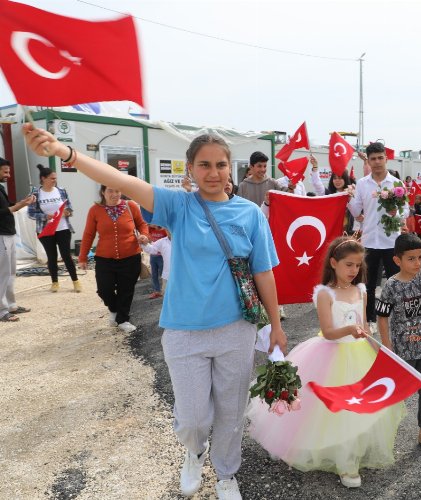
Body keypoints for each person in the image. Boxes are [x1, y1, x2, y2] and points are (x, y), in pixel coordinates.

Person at [24, 125, 286, 500]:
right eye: (204, 165)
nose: (213, 172)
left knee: (231, 411)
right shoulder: (179, 206)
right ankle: (194, 452)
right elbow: (119, 179)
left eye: (221, 164)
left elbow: (264, 271)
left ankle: (227, 474)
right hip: (184, 331)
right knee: (194, 417)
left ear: (232, 169)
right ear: (190, 170)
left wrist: (275, 325)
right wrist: (67, 153)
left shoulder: (250, 214)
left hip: (236, 329)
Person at [248, 236, 403, 488]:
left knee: (360, 404)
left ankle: (352, 453)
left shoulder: (362, 290)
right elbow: (329, 331)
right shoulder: (325, 293)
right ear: (334, 263)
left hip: (359, 353)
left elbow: (364, 325)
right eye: (348, 265)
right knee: (336, 407)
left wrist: (368, 336)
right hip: (331, 354)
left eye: (357, 265)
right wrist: (350, 329)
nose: (353, 271)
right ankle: (344, 461)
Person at [376, 233, 421, 457]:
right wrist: (387, 346)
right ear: (397, 260)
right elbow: (382, 316)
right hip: (403, 351)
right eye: (411, 259)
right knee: (396, 394)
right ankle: (381, 434)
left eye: (420, 257)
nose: (417, 263)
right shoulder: (391, 286)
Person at [348, 142, 407, 325]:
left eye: (380, 157)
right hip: (369, 241)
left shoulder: (397, 184)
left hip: (392, 241)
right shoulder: (362, 184)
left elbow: (406, 210)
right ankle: (370, 320)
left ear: (386, 159)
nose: (377, 162)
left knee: (396, 283)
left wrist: (395, 213)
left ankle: (399, 319)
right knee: (368, 285)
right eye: (373, 158)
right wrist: (349, 198)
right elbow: (357, 211)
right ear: (369, 161)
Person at [78, 185, 149, 332]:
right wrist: (83, 256)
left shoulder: (131, 206)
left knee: (126, 290)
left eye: (117, 191)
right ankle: (114, 309)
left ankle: (123, 319)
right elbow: (88, 234)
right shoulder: (95, 210)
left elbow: (142, 224)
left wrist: (144, 235)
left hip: (130, 256)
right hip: (104, 258)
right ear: (103, 192)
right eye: (110, 191)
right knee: (104, 289)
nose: (115, 194)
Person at [27, 164, 81, 293]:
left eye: (55, 178)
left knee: (66, 255)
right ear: (43, 178)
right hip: (46, 230)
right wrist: (46, 216)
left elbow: (69, 207)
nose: (54, 181)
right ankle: (55, 283)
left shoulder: (61, 190)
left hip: (63, 228)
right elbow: (30, 213)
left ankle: (76, 281)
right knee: (52, 257)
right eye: (52, 178)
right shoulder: (35, 193)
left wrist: (68, 211)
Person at [0, 158, 35, 322]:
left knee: (11, 273)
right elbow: (4, 211)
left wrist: (23, 202)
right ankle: (1, 311)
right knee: (2, 274)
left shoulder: (1, 188)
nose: (8, 175)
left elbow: (8, 206)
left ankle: (11, 305)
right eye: (5, 171)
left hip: (8, 234)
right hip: (1, 236)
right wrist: (20, 205)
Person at [142, 228, 171, 297]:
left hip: (183, 276)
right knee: (168, 298)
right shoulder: (162, 241)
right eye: (167, 228)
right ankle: (157, 291)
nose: (170, 230)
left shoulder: (184, 240)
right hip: (168, 277)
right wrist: (144, 243)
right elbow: (151, 249)